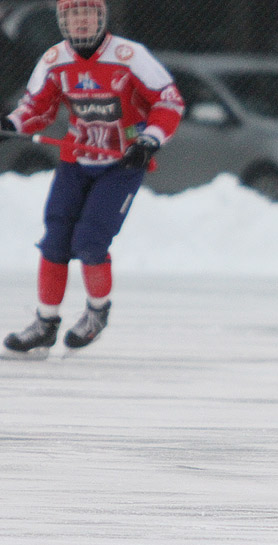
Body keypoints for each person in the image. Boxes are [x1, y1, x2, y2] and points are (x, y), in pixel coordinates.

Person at [1, 0, 183, 359]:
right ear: (61, 21)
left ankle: (97, 312)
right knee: (55, 239)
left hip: (122, 163)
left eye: (88, 14)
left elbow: (168, 102)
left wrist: (149, 140)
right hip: (76, 160)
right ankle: (45, 323)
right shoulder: (55, 60)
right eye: (73, 15)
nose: (81, 22)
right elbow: (37, 107)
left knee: (90, 240)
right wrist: (12, 125)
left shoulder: (131, 56)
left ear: (101, 18)